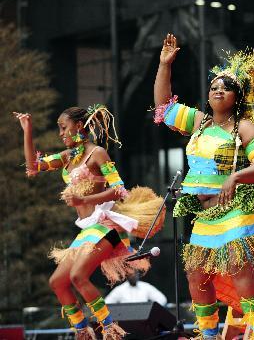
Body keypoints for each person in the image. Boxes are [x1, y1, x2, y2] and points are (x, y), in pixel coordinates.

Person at [153, 34, 254, 339]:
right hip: (207, 214)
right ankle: (208, 334)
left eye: (226, 88)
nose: (218, 90)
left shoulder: (245, 127)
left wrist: (234, 177)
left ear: (238, 96)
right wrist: (165, 64)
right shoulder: (199, 122)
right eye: (214, 87)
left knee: (239, 268)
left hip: (237, 209)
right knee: (196, 273)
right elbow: (162, 107)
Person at [14, 106, 162, 340]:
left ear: (79, 126)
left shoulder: (98, 153)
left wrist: (84, 199)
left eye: (64, 128)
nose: (61, 134)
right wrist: (27, 130)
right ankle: (83, 331)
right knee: (57, 282)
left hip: (105, 225)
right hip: (87, 230)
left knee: (78, 277)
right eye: (59, 129)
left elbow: (118, 190)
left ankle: (110, 328)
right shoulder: (67, 157)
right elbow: (33, 166)